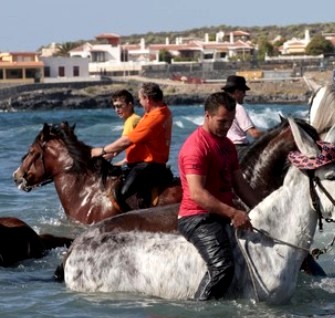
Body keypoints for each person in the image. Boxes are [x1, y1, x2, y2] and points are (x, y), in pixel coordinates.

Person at [177, 91, 260, 301]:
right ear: (207, 116)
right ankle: (199, 312)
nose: (226, 127)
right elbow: (197, 193)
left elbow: (240, 185)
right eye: (222, 122)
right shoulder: (196, 147)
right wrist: (233, 213)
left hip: (222, 213)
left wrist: (262, 210)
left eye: (231, 122)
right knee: (222, 267)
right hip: (197, 217)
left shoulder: (228, 145)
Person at [91, 82, 173, 210]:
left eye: (140, 99)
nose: (140, 103)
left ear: (147, 98)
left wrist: (101, 150)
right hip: (153, 164)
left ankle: (131, 222)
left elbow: (126, 141)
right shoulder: (164, 111)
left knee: (121, 195)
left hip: (148, 167)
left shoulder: (153, 118)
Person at [221, 75, 263, 157]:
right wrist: (275, 134)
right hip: (238, 148)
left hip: (224, 148)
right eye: (244, 92)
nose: (244, 95)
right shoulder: (238, 108)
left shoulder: (221, 106)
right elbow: (254, 133)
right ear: (237, 91)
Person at [111, 89, 141, 165]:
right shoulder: (135, 118)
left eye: (119, 106)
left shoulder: (132, 120)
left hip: (140, 165)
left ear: (130, 105)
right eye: (114, 107)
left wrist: (103, 151)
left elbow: (123, 143)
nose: (116, 110)